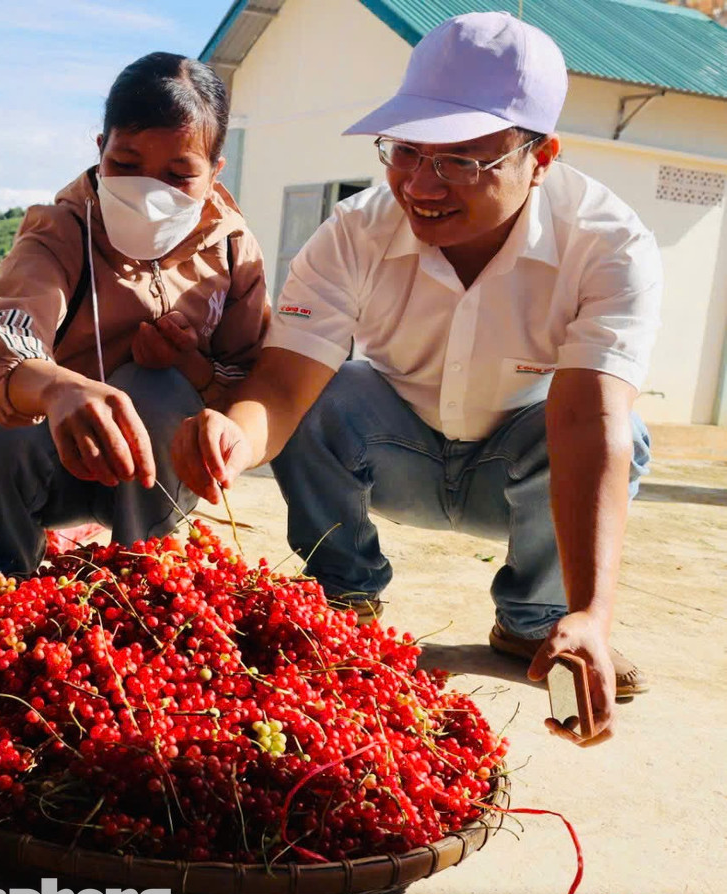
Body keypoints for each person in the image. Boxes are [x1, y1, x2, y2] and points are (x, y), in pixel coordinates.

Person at [171, 12, 659, 747]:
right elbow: (283, 385)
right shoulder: (354, 232)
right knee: (331, 395)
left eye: (463, 158)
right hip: (394, 450)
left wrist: (590, 614)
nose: (422, 184)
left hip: (521, 472)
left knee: (624, 436)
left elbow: (588, 421)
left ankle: (536, 619)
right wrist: (232, 432)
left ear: (543, 155)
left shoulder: (608, 245)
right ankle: (343, 599)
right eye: (405, 151)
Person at [0, 52, 270, 576]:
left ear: (214, 172)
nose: (149, 192)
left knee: (155, 386)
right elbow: (5, 331)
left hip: (157, 478)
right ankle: (10, 572)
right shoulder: (62, 230)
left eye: (179, 174)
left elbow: (251, 375)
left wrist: (189, 367)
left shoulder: (232, 251)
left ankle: (142, 575)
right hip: (56, 462)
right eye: (127, 165)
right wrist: (57, 389)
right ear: (101, 150)